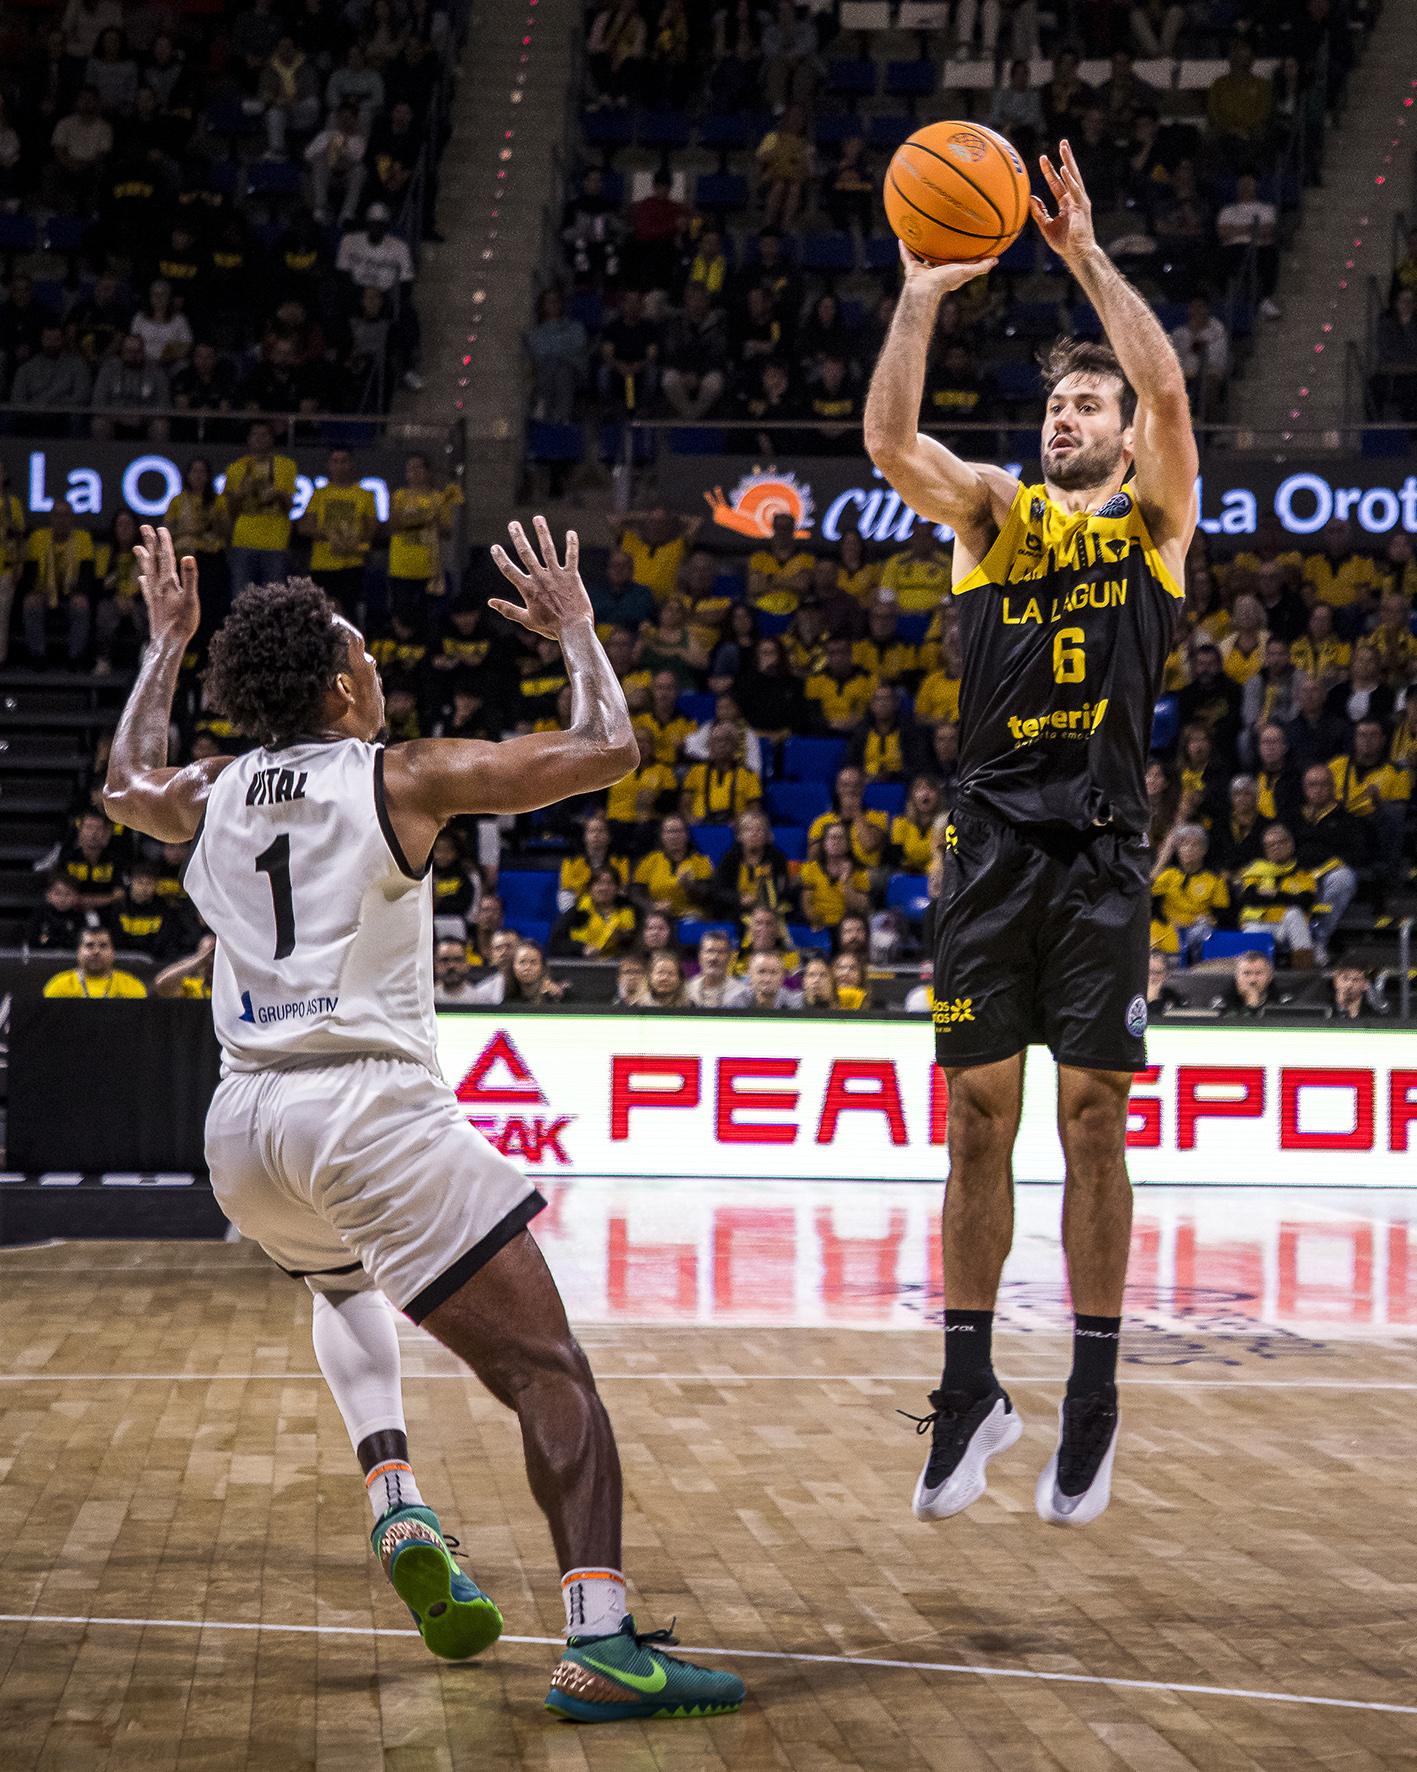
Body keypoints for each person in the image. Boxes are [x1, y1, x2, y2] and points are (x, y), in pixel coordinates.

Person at [100, 518, 743, 1720]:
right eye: (364, 653)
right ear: (342, 685)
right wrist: (578, 630)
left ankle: (395, 1495)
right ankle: (601, 1643)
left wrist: (164, 644)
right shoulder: (398, 773)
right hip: (366, 1109)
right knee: (549, 1369)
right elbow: (608, 748)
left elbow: (122, 782)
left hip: (244, 1130)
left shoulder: (208, 789)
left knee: (343, 1283)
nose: (377, 667)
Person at [863, 141, 1197, 1529]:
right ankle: (969, 1389)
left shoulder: (1156, 525)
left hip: (1102, 855)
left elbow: (1170, 387)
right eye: (1055, 402)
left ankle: (1095, 1394)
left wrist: (1080, 255)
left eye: (1085, 404)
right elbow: (890, 447)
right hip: (991, 851)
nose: (1065, 416)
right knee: (975, 1122)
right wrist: (918, 295)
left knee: (1093, 1117)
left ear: (1121, 433)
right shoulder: (995, 519)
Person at [299, 447, 377, 618]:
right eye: (335, 461)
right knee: (321, 614)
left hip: (352, 564)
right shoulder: (319, 494)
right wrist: (328, 534)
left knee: (350, 613)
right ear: (329, 465)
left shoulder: (365, 495)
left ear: (352, 464)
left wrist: (351, 540)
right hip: (322, 564)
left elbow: (372, 529)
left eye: (344, 461)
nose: (339, 466)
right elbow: (304, 527)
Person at [225, 422, 297, 598]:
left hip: (275, 542)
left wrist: (279, 494)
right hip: (243, 540)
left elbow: (289, 508)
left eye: (264, 435)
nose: (259, 439)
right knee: (241, 598)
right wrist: (241, 494)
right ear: (249, 439)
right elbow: (231, 512)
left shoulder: (286, 466)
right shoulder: (235, 468)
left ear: (272, 439)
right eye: (255, 434)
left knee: (275, 600)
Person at [43, 925, 147, 997]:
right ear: (78, 952)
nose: (96, 951)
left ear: (113, 952)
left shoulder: (131, 985)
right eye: (89, 945)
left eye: (103, 946)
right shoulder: (59, 985)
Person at [686, 927, 752, 1008]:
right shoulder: (688, 991)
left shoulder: (741, 993)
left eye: (720, 952)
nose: (714, 958)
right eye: (709, 951)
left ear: (729, 957)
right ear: (700, 956)